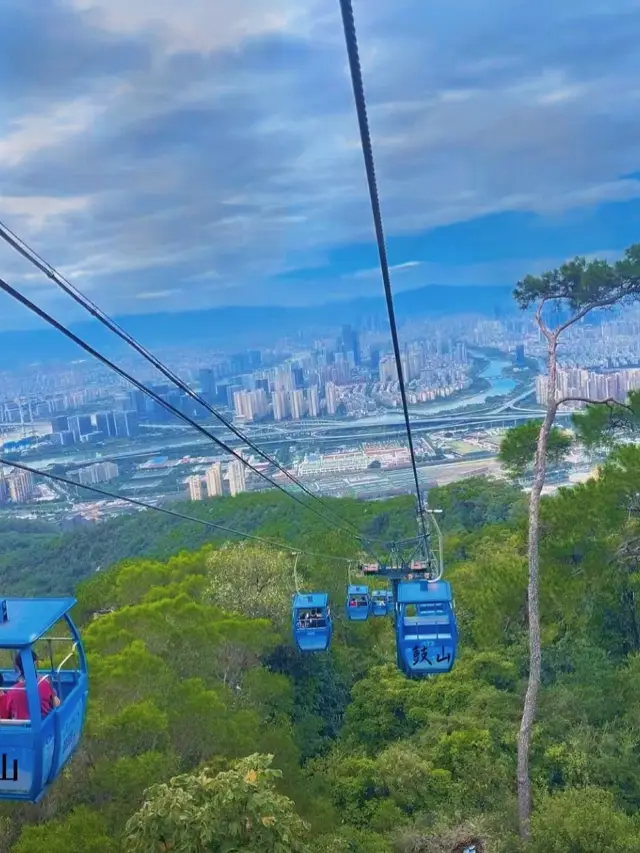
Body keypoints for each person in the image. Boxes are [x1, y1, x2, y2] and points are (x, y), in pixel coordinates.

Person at [5, 650, 60, 721]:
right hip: (44, 724)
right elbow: (57, 703)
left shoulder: (11, 691)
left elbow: (8, 714)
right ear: (35, 663)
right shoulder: (44, 683)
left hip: (22, 729)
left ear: (18, 667)